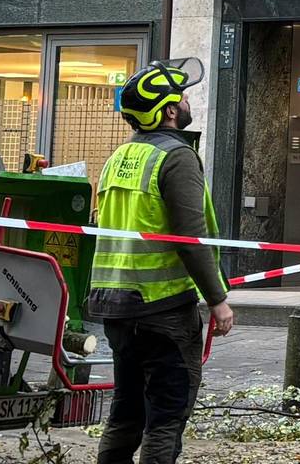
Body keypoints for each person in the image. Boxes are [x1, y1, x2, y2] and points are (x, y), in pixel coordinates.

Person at [90, 61, 234, 464]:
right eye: (183, 98)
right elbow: (190, 239)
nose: (187, 103)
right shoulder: (177, 157)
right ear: (170, 111)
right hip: (163, 309)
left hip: (117, 308)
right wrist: (218, 299)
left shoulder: (119, 157)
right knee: (166, 418)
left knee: (126, 412)